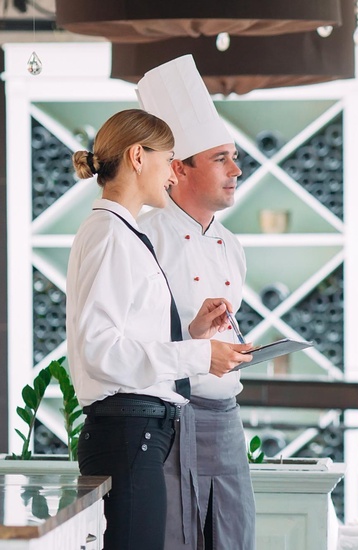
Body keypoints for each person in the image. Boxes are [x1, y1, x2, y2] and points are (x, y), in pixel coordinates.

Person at [66, 109, 252, 550]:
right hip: (129, 430)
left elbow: (127, 340)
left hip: (139, 431)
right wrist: (200, 356)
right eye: (169, 158)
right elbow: (100, 349)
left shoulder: (121, 233)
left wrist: (193, 337)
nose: (173, 172)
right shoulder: (113, 235)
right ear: (137, 157)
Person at [135, 55, 257, 550]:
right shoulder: (144, 238)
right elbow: (126, 346)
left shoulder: (233, 245)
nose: (237, 169)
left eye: (234, 156)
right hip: (170, 418)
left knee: (233, 536)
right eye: (221, 158)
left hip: (226, 417)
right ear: (178, 168)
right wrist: (192, 337)